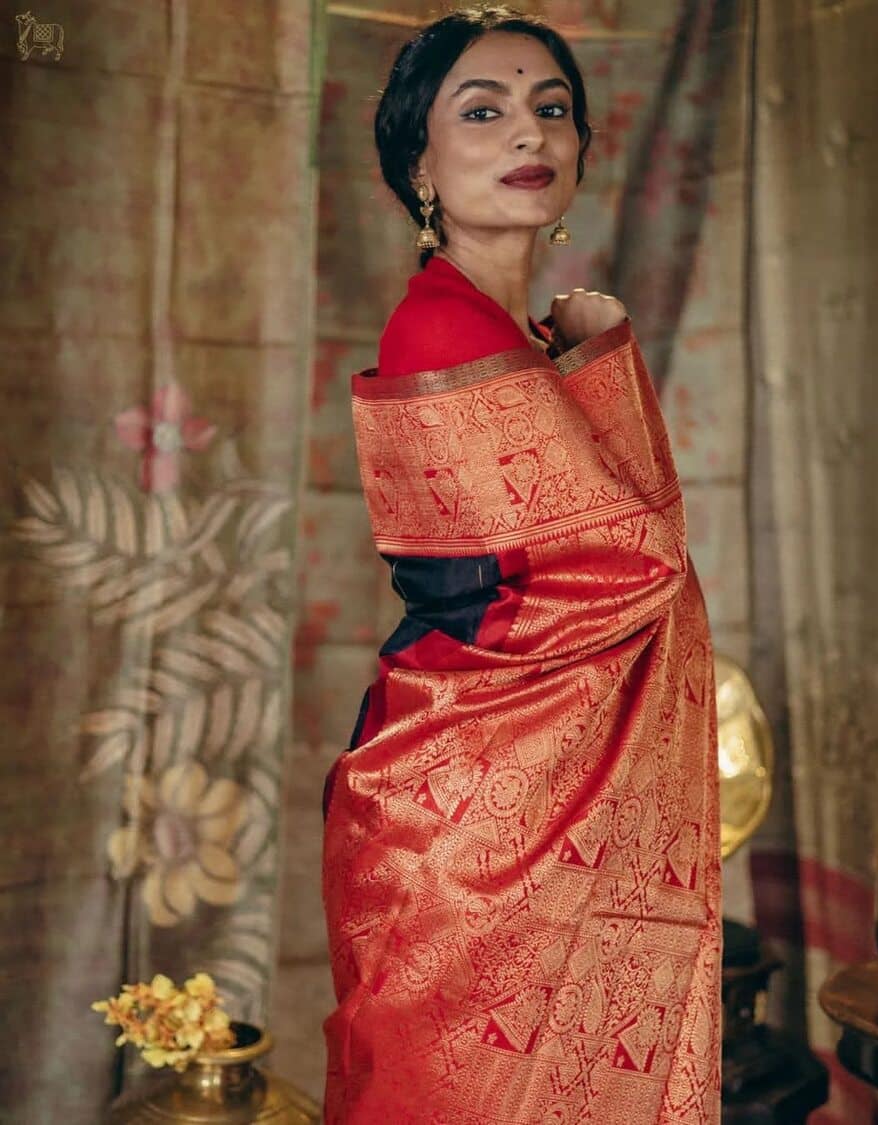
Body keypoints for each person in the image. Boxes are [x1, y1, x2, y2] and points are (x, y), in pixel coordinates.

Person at [320, 6, 722, 1122]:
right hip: (472, 814)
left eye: (551, 109)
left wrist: (580, 356)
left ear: (584, 148)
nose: (527, 132)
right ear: (420, 163)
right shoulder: (443, 331)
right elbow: (630, 569)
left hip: (521, 791)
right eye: (482, 110)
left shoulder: (522, 340)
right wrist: (611, 364)